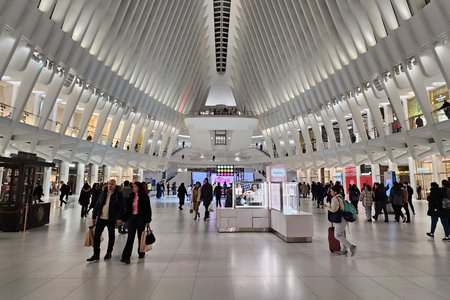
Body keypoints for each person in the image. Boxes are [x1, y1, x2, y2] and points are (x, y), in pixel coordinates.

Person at [87, 179, 124, 262]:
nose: (110, 186)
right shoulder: (103, 193)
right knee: (96, 236)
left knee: (111, 236)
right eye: (109, 184)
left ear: (115, 186)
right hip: (101, 218)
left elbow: (120, 207)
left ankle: (109, 252)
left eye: (112, 184)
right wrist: (94, 216)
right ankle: (96, 254)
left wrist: (119, 218)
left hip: (111, 218)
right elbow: (98, 204)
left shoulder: (118, 194)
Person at [121, 182, 152, 264]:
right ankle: (126, 257)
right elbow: (128, 209)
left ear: (138, 187)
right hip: (132, 218)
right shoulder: (131, 196)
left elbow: (148, 209)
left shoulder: (145, 197)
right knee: (130, 238)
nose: (133, 188)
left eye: (135, 186)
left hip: (140, 219)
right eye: (133, 186)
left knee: (140, 237)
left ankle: (141, 252)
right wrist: (124, 219)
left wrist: (148, 220)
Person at [325, 185, 357, 256]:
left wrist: (327, 207)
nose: (330, 192)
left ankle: (351, 247)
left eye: (331, 191)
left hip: (340, 218)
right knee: (341, 234)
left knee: (337, 235)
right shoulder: (340, 196)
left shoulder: (334, 199)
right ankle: (344, 249)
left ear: (335, 192)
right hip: (344, 218)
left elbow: (334, 210)